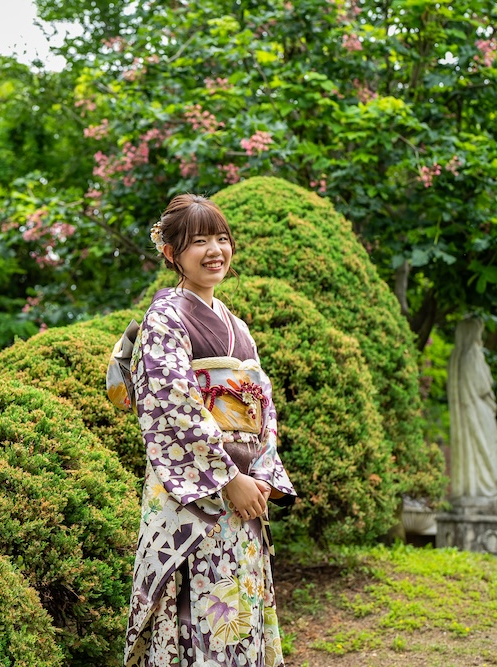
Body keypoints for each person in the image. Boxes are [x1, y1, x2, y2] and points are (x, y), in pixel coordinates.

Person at [124, 194, 296, 667]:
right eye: (199, 241)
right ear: (171, 253)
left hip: (244, 500)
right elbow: (172, 406)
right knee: (196, 612)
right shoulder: (166, 318)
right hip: (194, 494)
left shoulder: (238, 326)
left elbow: (262, 406)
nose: (215, 250)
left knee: (240, 613)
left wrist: (261, 475)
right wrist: (229, 478)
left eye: (222, 238)